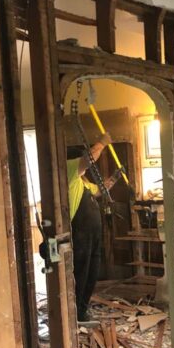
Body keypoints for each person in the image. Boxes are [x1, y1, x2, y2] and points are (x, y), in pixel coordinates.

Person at [67, 132, 118, 323]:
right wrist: (103, 142)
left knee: (92, 271)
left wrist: (115, 178)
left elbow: (100, 190)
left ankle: (82, 310)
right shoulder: (68, 170)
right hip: (80, 232)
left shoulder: (82, 182)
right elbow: (89, 159)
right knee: (81, 272)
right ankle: (76, 314)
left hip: (93, 235)